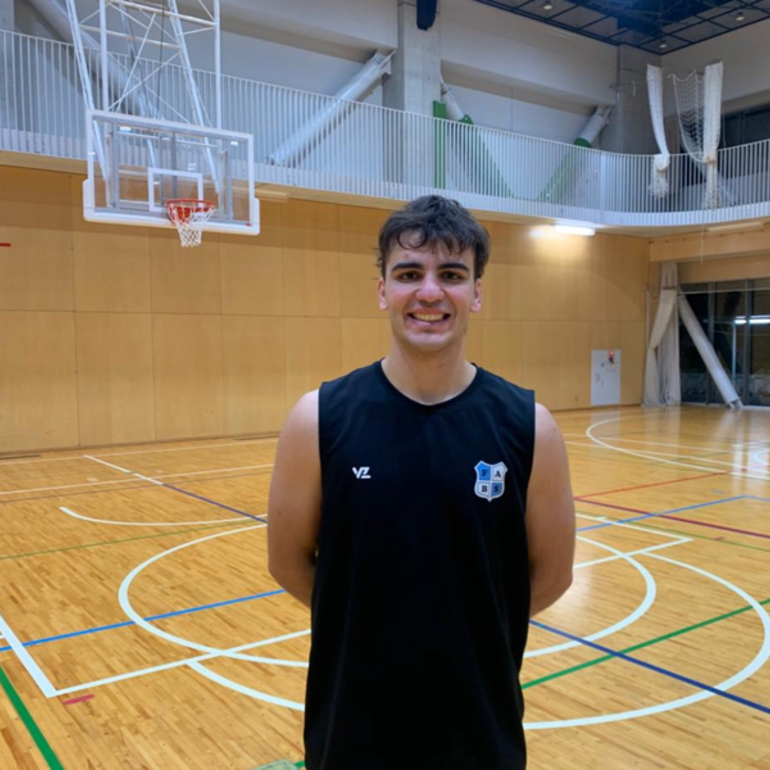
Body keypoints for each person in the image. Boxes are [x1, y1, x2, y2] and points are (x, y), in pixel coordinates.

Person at [267, 195, 575, 770]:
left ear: (477, 293)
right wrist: (378, 628)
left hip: (480, 730)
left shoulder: (530, 425)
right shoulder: (318, 418)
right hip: (352, 729)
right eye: (409, 274)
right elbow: (288, 562)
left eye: (452, 275)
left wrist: (466, 631)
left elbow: (554, 574)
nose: (430, 292)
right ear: (382, 289)